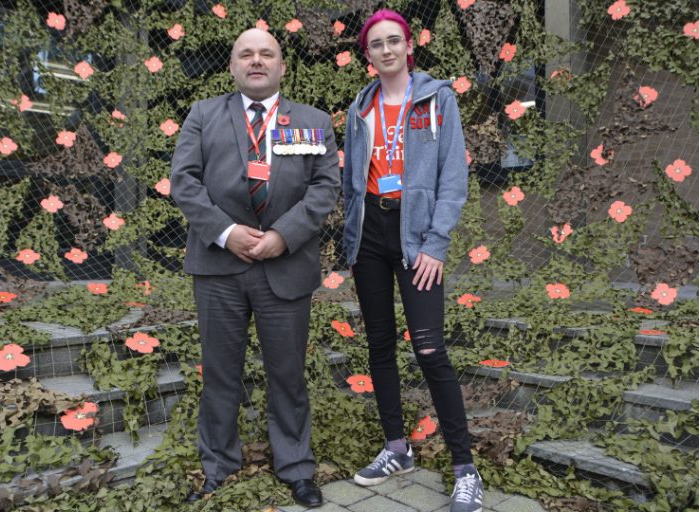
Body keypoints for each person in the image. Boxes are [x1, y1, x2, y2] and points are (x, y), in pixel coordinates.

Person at [170, 27, 340, 508]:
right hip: (218, 265)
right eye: (246, 54)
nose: (257, 61)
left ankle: (296, 468)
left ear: (283, 66)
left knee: (287, 374)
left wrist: (281, 237)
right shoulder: (203, 115)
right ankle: (218, 466)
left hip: (285, 266)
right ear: (232, 66)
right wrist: (227, 232)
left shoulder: (313, 121)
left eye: (267, 53)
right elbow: (183, 182)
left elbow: (325, 188)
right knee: (221, 373)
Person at [342, 9, 482, 512]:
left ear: (408, 46)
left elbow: (453, 179)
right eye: (376, 44)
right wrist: (351, 239)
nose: (385, 50)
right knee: (379, 344)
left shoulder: (437, 99)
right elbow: (352, 181)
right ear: (367, 55)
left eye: (393, 41)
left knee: (428, 349)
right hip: (371, 235)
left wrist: (436, 243)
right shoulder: (361, 104)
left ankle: (466, 469)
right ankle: (396, 449)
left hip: (416, 234)